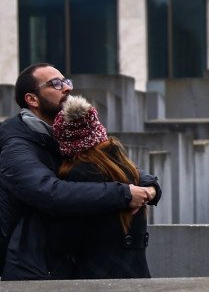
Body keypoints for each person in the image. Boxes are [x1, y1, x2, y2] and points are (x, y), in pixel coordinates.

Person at [0, 63, 160, 280]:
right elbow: (49, 192)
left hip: (67, 266)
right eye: (55, 84)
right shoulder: (17, 147)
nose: (67, 88)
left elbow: (108, 163)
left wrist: (149, 186)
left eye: (66, 81)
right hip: (37, 273)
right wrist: (125, 194)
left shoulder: (67, 134)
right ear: (32, 99)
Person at [52, 94, 151, 278]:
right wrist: (153, 187)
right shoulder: (120, 164)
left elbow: (68, 237)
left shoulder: (80, 173)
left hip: (99, 274)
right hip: (133, 270)